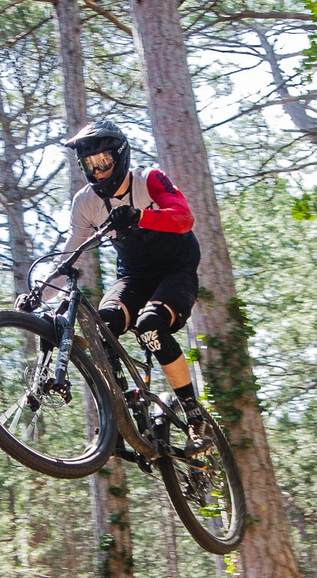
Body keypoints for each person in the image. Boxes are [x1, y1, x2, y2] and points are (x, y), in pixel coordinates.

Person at [59, 119, 212, 435]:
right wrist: (39, 295)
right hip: (134, 277)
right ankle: (121, 408)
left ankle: (193, 413)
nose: (97, 172)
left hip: (175, 271)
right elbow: (69, 256)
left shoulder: (149, 179)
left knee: (150, 324)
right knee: (102, 325)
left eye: (103, 162)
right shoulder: (86, 203)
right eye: (89, 165)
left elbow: (184, 218)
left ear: (119, 156)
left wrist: (140, 215)